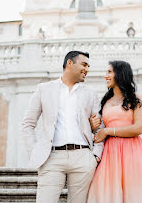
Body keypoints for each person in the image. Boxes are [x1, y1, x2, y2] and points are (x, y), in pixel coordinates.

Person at [21, 51, 104, 203]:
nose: (87, 69)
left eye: (88, 66)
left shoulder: (91, 94)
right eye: (84, 64)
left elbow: (99, 128)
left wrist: (95, 155)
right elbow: (28, 124)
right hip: (51, 158)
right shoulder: (44, 89)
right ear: (70, 63)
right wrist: (34, 151)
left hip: (83, 157)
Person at [87, 60, 142, 203]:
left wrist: (108, 131)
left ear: (120, 74)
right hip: (110, 153)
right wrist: (92, 125)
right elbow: (99, 129)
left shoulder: (135, 98)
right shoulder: (104, 101)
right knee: (105, 192)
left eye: (109, 72)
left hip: (132, 152)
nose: (105, 76)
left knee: (133, 193)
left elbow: (139, 128)